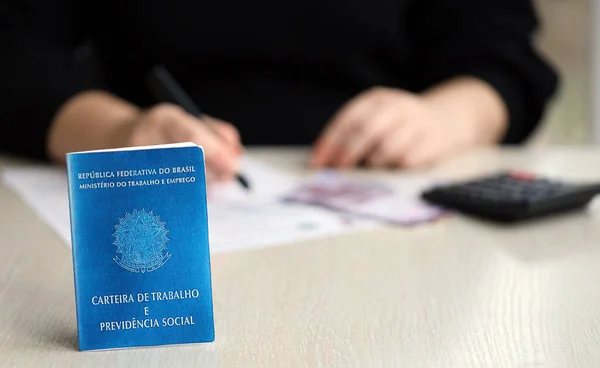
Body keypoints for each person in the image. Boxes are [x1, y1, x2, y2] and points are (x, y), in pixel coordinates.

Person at [0, 0, 558, 181]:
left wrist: (447, 116)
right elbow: (16, 53)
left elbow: (506, 57)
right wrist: (117, 130)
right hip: (152, 179)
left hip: (392, 197)